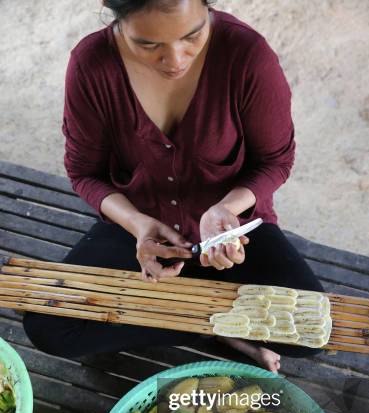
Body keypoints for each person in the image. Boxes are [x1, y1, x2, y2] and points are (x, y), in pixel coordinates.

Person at [23, 0, 324, 372]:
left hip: (232, 233)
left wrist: (226, 209)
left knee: (311, 335)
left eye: (192, 35)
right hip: (138, 232)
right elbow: (85, 173)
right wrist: (138, 225)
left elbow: (275, 161)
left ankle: (185, 313)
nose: (175, 60)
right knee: (47, 326)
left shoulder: (247, 55)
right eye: (148, 44)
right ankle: (218, 330)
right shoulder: (92, 65)